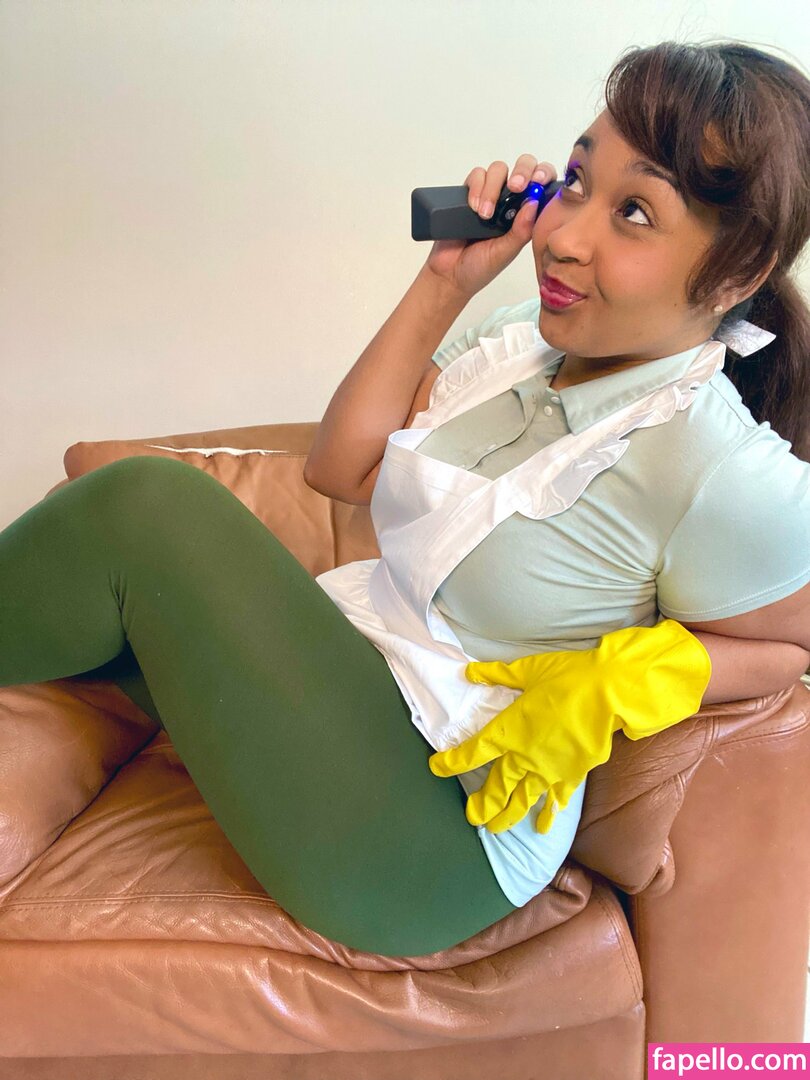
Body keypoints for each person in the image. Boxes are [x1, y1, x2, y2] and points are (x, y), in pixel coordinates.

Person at [1, 40, 809, 959]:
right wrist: (445, 281)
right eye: (578, 182)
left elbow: (794, 641)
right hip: (359, 694)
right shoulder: (521, 343)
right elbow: (340, 468)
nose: (563, 237)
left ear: (736, 274)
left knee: (147, 506)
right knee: (112, 610)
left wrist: (634, 676)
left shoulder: (719, 463)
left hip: (442, 830)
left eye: (634, 212)